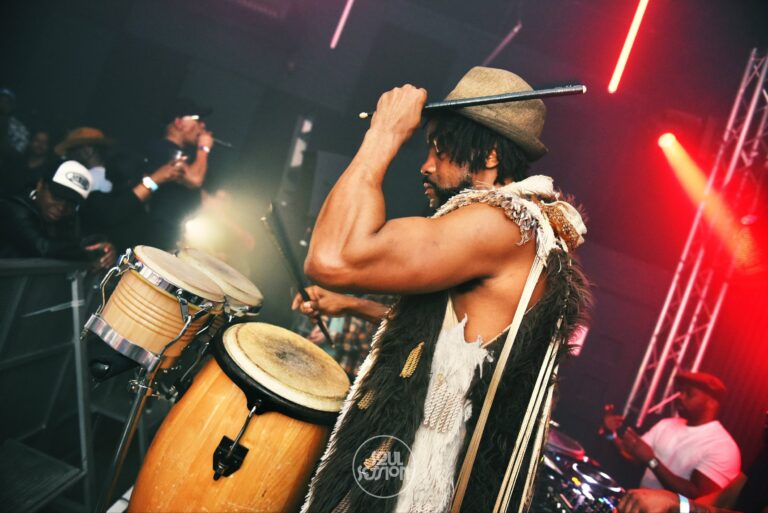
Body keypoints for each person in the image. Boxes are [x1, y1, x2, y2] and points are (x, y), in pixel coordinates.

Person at [298, 67, 591, 513]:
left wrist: (383, 135)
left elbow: (332, 258)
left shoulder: (500, 223)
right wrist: (353, 305)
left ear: (489, 155)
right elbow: (453, 341)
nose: (426, 165)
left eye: (440, 148)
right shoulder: (522, 228)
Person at [602, 371, 741, 498]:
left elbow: (696, 496)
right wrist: (611, 434)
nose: (681, 396)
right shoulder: (667, 424)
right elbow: (633, 456)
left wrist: (652, 461)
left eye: (689, 394)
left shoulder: (723, 447)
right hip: (639, 504)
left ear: (711, 403)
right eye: (681, 391)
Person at [55, 126, 183, 250]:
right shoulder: (83, 180)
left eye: (74, 150)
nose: (71, 155)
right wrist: (154, 180)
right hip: (101, 250)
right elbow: (111, 212)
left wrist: (155, 179)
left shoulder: (118, 170)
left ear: (87, 149)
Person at [618, 411, 768, 513]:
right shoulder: (763, 457)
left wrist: (676, 504)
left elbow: (693, 494)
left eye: (689, 393)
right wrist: (675, 503)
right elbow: (722, 500)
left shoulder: (723, 445)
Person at [0, 160, 115, 268]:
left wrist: (104, 251)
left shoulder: (68, 219)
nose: (61, 207)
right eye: (57, 197)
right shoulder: (14, 208)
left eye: (71, 203)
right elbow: (42, 247)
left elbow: (82, 242)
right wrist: (88, 253)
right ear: (40, 185)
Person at [142, 98, 215, 249]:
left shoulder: (185, 155)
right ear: (178, 122)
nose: (202, 126)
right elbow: (194, 179)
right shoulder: (162, 149)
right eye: (198, 120)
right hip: (157, 235)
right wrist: (204, 149)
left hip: (176, 237)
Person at [291, 285, 393, 378]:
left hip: (346, 374)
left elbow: (370, 343)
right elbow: (328, 310)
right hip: (316, 364)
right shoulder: (334, 288)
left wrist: (331, 336)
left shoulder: (385, 297)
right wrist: (321, 321)